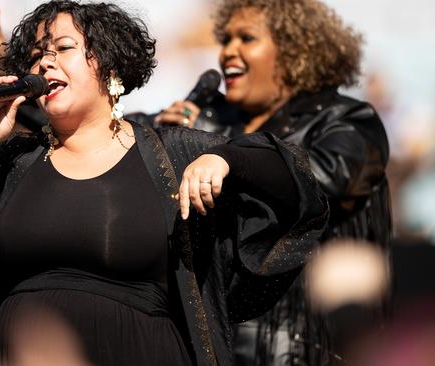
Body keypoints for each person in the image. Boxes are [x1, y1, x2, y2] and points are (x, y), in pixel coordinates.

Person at [0, 1, 327, 365]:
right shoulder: (10, 160)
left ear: (110, 66)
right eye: (35, 56)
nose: (44, 63)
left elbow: (292, 174)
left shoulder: (169, 152)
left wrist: (225, 158)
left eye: (62, 49)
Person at [157, 0, 391, 364]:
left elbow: (324, 181)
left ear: (295, 50)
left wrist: (225, 156)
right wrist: (171, 141)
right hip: (211, 342)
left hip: (307, 343)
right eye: (226, 39)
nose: (227, 52)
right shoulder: (210, 119)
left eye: (246, 38)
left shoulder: (346, 119)